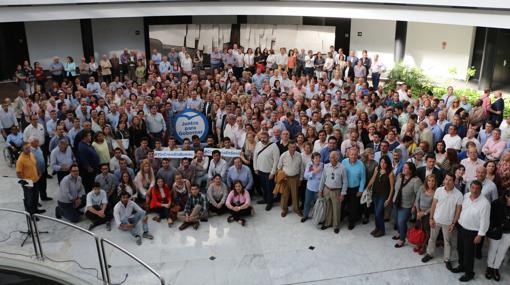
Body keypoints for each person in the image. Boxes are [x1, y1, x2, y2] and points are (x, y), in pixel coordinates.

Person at [421, 172, 462, 269]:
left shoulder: (459, 194)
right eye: (446, 179)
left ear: (454, 181)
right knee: (432, 239)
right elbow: (433, 205)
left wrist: (453, 223)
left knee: (447, 242)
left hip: (448, 223)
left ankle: (447, 259)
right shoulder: (439, 190)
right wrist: (431, 218)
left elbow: (458, 211)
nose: (447, 182)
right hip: (436, 220)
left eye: (450, 180)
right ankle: (429, 254)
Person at [451, 180, 490, 282]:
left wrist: (480, 235)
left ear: (480, 189)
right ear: (470, 188)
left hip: (472, 232)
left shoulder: (485, 203)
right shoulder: (466, 196)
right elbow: (460, 210)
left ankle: (469, 273)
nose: (474, 190)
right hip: (461, 227)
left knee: (469, 254)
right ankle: (462, 266)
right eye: (473, 187)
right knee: (460, 249)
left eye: (477, 188)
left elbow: (485, 221)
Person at [392, 162, 422, 248]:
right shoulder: (399, 176)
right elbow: (396, 189)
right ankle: (399, 233)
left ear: (411, 170)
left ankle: (402, 239)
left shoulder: (416, 180)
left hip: (406, 205)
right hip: (396, 202)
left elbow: (418, 195)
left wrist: (414, 206)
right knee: (397, 220)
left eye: (406, 168)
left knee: (401, 222)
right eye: (403, 167)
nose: (403, 169)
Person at [318, 151, 348, 234]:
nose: (333, 159)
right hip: (327, 189)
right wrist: (320, 190)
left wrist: (343, 194)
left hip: (337, 191)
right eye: (331, 157)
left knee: (336, 209)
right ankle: (327, 223)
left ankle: (336, 225)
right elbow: (322, 179)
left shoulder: (342, 168)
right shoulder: (326, 166)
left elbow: (345, 182)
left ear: (338, 158)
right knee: (328, 208)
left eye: (334, 157)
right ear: (329, 158)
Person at [365, 155, 394, 237]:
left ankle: (382, 230)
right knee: (377, 213)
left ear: (388, 163)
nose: (383, 164)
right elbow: (373, 179)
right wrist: (367, 188)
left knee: (378, 213)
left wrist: (389, 199)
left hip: (383, 196)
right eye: (381, 162)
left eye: (385, 162)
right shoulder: (377, 169)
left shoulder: (390, 173)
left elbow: (392, 188)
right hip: (375, 194)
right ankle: (377, 228)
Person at [485, 189, 510, 282]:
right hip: (496, 231)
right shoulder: (496, 203)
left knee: (502, 251)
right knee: (493, 250)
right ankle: (489, 267)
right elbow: (490, 217)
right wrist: (492, 228)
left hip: (508, 233)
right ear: (507, 196)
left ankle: (496, 268)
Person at [253, 131, 280, 211]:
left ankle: (269, 202)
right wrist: (255, 168)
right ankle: (265, 199)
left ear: (268, 137)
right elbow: (255, 156)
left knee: (269, 188)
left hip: (269, 172)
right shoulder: (258, 144)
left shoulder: (274, 146)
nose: (262, 139)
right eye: (261, 138)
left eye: (264, 138)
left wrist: (273, 172)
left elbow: (276, 161)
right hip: (260, 170)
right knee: (264, 187)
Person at [341, 147, 366, 229]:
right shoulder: (344, 162)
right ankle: (340, 217)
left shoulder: (361, 164)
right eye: (352, 154)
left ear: (358, 155)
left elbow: (363, 178)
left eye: (355, 154)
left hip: (355, 188)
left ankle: (351, 222)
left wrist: (361, 190)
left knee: (353, 206)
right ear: (348, 154)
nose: (353, 156)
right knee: (342, 204)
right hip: (344, 188)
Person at [16, 142, 43, 215]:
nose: (28, 149)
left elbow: (34, 163)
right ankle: (31, 214)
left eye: (29, 147)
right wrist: (26, 183)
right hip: (28, 183)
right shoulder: (20, 160)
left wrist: (38, 171)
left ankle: (35, 210)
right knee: (29, 199)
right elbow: (18, 174)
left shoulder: (31, 154)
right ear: (22, 149)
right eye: (26, 148)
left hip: (35, 179)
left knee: (35, 196)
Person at [277, 141, 303, 217]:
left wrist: (301, 178)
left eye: (294, 147)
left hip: (295, 178)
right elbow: (279, 167)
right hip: (285, 178)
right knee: (285, 195)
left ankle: (296, 209)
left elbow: (301, 167)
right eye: (291, 147)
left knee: (295, 195)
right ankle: (284, 209)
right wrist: (282, 176)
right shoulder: (283, 155)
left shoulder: (299, 155)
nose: (293, 149)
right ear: (288, 147)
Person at [301, 152, 323, 223]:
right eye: (316, 158)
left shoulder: (322, 165)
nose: (318, 159)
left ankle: (318, 217)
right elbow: (305, 175)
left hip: (319, 188)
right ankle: (305, 215)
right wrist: (314, 172)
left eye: (319, 157)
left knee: (318, 203)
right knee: (307, 202)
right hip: (310, 187)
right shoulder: (309, 165)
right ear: (312, 159)